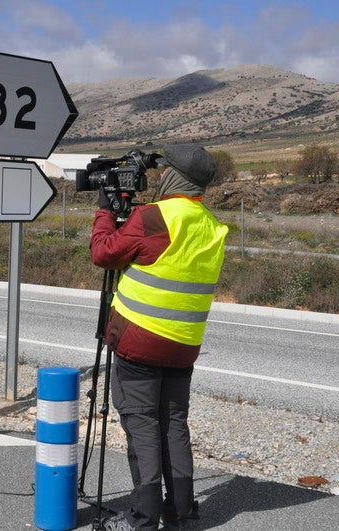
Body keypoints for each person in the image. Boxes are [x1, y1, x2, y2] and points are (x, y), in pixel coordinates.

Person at [90, 145, 228, 530]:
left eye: (164, 169)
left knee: (143, 425)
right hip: (184, 344)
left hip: (140, 340)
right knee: (174, 423)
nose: (161, 173)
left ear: (173, 175)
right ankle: (182, 512)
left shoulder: (154, 217)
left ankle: (145, 517)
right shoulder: (211, 225)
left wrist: (105, 211)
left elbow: (103, 254)